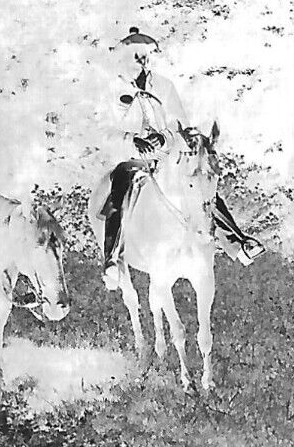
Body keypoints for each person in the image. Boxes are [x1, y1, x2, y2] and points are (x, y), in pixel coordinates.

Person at [99, 27, 262, 290]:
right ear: (123, 59)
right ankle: (113, 259)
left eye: (144, 56)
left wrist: (164, 137)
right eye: (135, 56)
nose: (141, 61)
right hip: (134, 156)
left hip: (166, 155)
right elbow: (104, 129)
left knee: (199, 181)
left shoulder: (163, 86)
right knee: (121, 186)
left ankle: (237, 243)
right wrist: (132, 139)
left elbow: (179, 124)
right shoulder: (113, 91)